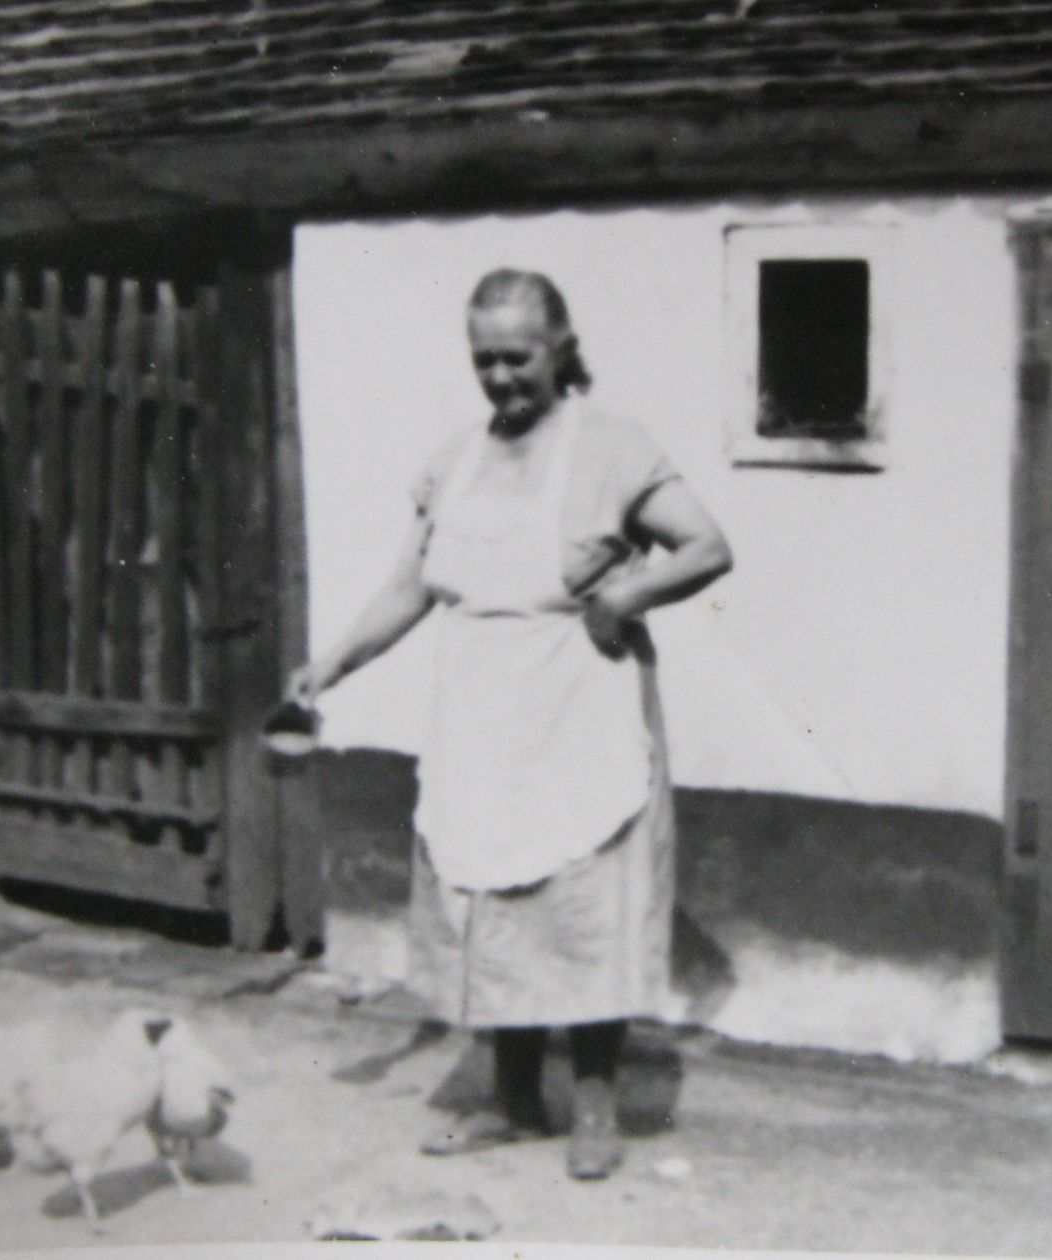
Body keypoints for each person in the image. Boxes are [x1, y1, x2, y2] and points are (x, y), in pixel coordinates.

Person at [287, 269, 733, 1180]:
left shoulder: (612, 449)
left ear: (560, 347)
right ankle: (514, 1100)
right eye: (484, 360)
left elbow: (707, 546)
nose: (500, 378)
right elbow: (410, 587)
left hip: (579, 706)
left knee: (585, 909)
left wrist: (627, 597)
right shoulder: (455, 462)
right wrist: (330, 665)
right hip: (479, 721)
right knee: (492, 910)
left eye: (518, 358)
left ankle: (596, 1107)